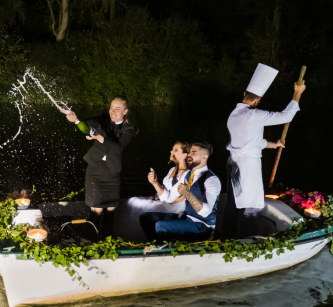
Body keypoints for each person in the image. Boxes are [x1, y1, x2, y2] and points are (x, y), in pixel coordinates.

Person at [226, 63, 306, 238]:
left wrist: (274, 144)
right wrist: (297, 93)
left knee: (236, 203)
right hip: (247, 166)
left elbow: (254, 142)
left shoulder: (234, 114)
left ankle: (229, 236)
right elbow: (286, 116)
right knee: (253, 204)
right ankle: (247, 243)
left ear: (244, 95)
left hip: (234, 163)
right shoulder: (253, 115)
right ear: (258, 100)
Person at [65, 97, 136, 231]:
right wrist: (77, 121)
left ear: (125, 111)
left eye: (117, 109)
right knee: (96, 210)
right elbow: (86, 127)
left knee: (110, 211)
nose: (112, 111)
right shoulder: (102, 120)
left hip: (112, 174)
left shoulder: (129, 129)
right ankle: (91, 241)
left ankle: (106, 242)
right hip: (95, 171)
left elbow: (117, 148)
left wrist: (99, 137)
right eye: (111, 107)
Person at [140, 142, 221, 242]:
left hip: (203, 227)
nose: (189, 155)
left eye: (194, 152)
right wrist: (155, 183)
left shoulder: (212, 180)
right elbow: (168, 198)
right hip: (188, 218)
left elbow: (206, 212)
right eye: (190, 152)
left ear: (204, 157)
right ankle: (156, 245)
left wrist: (187, 193)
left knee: (161, 225)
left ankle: (163, 250)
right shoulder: (188, 175)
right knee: (146, 217)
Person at [147, 141, 190, 211]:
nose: (171, 151)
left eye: (175, 150)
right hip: (163, 202)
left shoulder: (186, 174)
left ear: (184, 155)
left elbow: (171, 199)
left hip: (173, 209)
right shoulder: (172, 169)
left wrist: (155, 183)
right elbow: (166, 189)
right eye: (172, 149)